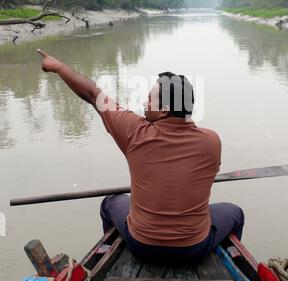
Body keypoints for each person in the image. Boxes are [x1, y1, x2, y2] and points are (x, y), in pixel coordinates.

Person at [37, 49, 244, 264]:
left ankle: (112, 257)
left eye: (148, 99)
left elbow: (92, 94)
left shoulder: (134, 132)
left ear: (163, 110)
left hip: (142, 246)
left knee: (110, 203)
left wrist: (59, 67)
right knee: (234, 213)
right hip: (193, 249)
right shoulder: (211, 142)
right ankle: (233, 267)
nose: (144, 104)